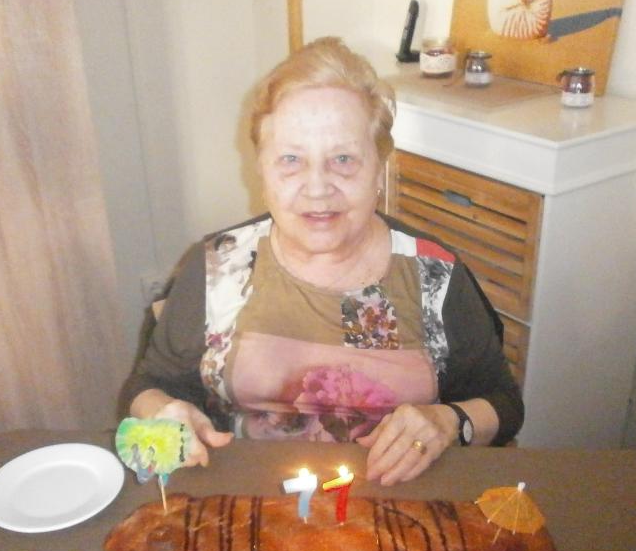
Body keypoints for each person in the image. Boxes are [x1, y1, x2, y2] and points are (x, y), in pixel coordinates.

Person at [122, 37, 522, 486]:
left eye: (343, 159)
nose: (317, 188)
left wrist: (450, 422)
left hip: (397, 500)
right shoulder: (217, 267)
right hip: (245, 499)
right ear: (262, 171)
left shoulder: (436, 276)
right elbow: (150, 384)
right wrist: (163, 410)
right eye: (291, 160)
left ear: (379, 169)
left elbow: (504, 404)